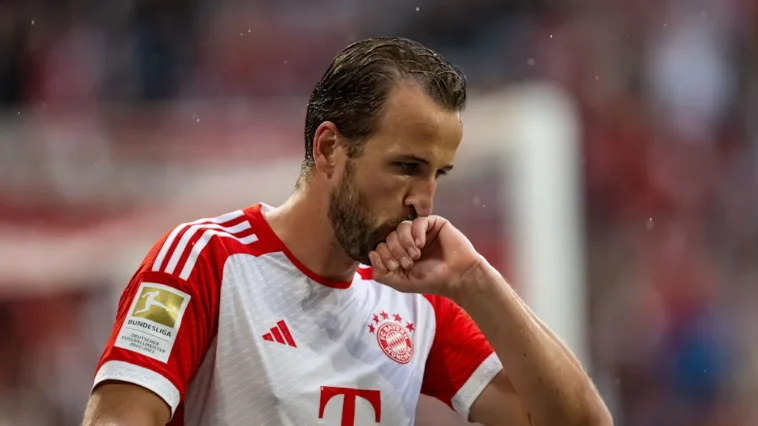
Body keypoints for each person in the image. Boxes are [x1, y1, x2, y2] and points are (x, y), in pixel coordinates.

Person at [82, 37, 612, 426]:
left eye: (437, 174)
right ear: (330, 149)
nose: (423, 202)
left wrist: (475, 280)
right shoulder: (203, 260)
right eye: (406, 167)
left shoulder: (418, 303)